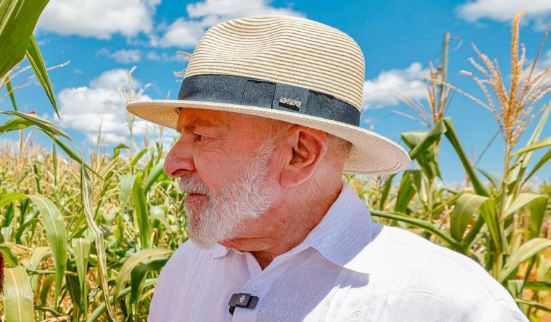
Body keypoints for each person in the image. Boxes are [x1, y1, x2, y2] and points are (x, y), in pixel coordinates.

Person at [127, 15, 527, 322]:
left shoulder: (450, 304)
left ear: (300, 154)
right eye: (181, 137)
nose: (171, 165)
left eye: (201, 138)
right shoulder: (184, 268)